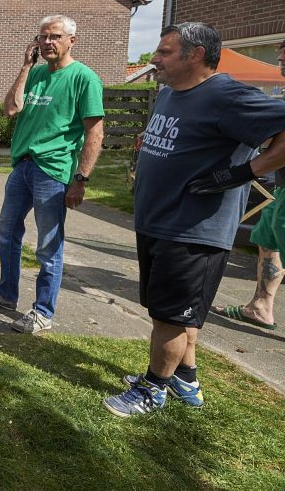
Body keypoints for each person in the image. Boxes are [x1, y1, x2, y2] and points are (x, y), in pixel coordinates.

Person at [104, 23, 285, 417]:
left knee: (170, 317)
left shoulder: (228, 96)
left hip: (195, 230)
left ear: (196, 55)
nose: (154, 59)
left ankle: (154, 389)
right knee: (172, 311)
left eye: (165, 52)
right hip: (158, 222)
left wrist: (243, 172)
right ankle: (185, 377)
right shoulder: (170, 94)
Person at [0, 15, 105, 334]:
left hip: (54, 170)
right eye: (42, 37)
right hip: (24, 165)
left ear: (71, 40)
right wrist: (24, 67)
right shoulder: (35, 74)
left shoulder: (84, 78)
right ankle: (6, 294)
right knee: (6, 231)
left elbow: (95, 133)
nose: (47, 42)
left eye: (55, 36)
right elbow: (10, 109)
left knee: (48, 244)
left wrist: (81, 179)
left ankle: (43, 311)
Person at [211, 39, 285, 331]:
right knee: (268, 241)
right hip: (281, 188)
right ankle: (261, 307)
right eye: (281, 53)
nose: (280, 57)